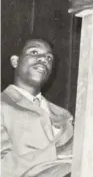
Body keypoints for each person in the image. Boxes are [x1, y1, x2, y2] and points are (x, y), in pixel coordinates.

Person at [1, 37, 74, 177]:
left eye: (49, 57)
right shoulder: (3, 105)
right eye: (34, 52)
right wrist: (57, 153)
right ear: (15, 61)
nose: (43, 59)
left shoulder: (64, 115)